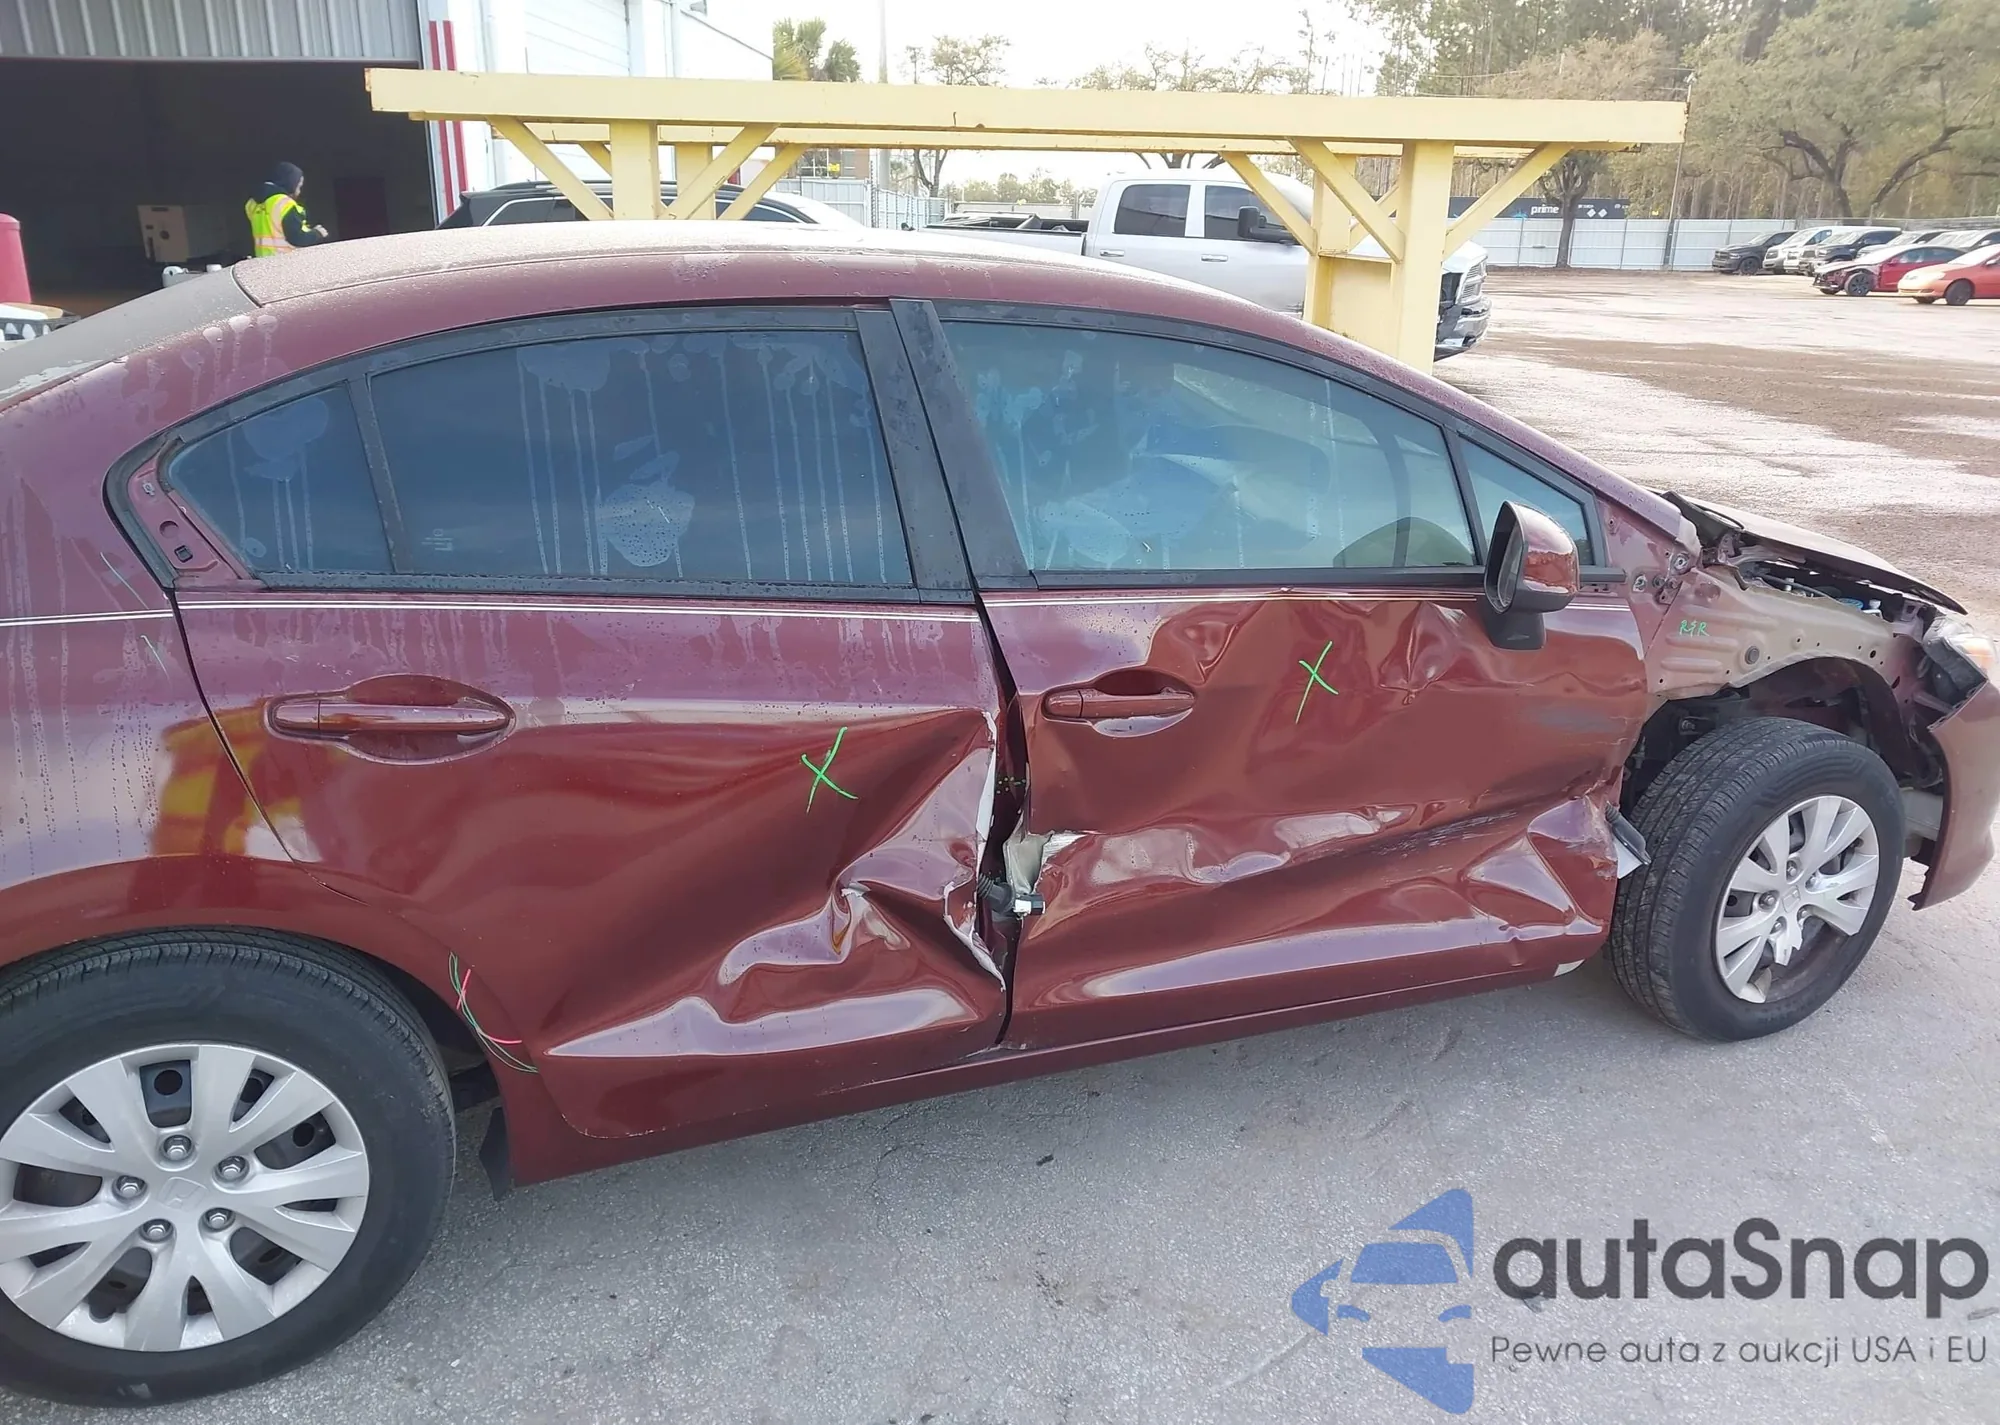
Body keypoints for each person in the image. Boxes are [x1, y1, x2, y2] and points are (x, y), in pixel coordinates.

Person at [245, 162, 330, 258]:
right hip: (285, 260)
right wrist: (317, 233)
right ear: (290, 183)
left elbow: (273, 229)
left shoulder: (252, 204)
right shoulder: (285, 203)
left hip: (263, 261)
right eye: (299, 186)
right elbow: (298, 238)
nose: (299, 191)